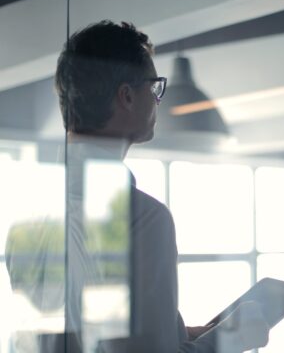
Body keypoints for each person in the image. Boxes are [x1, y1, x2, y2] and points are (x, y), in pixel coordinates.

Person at [52, 20, 270, 353]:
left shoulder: (33, 207)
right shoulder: (142, 218)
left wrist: (179, 332)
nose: (158, 101)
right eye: (154, 88)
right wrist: (235, 337)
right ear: (126, 96)